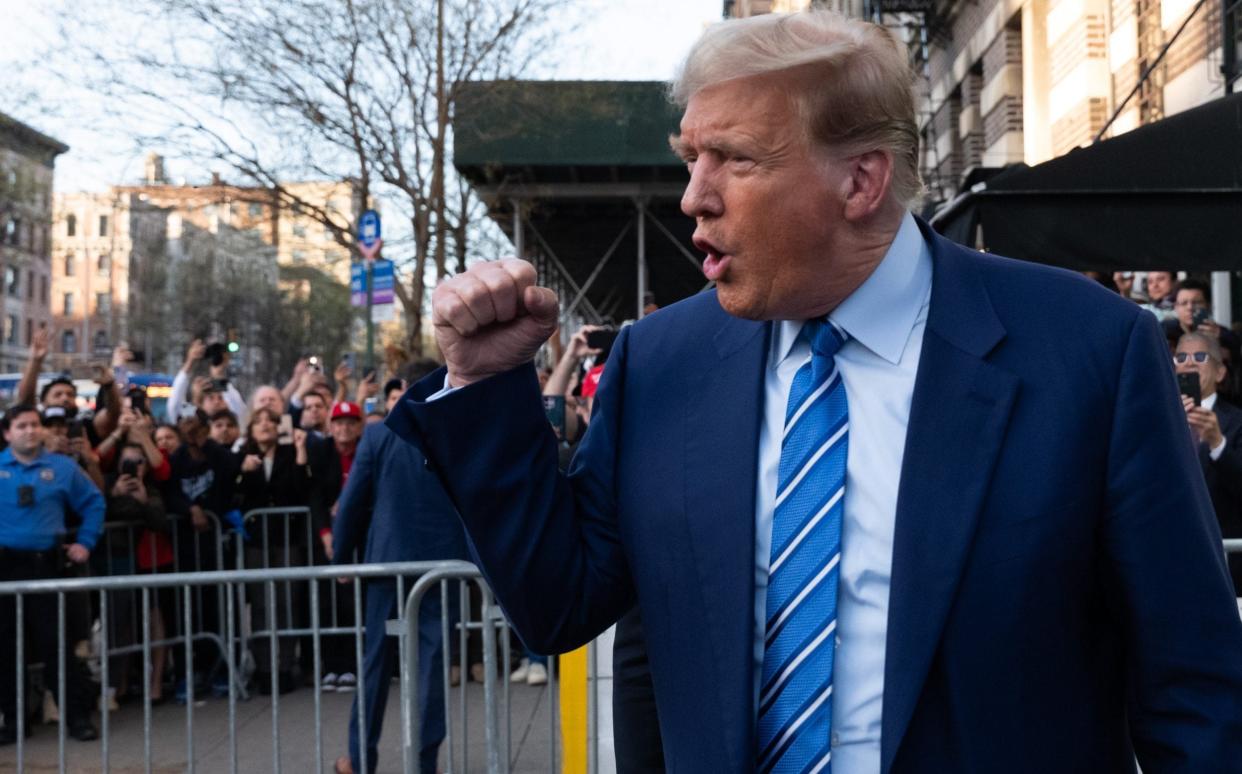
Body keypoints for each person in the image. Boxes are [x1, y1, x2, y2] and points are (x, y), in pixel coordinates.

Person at [386, 10, 1242, 772]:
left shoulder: (1087, 349)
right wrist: (484, 381)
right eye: (692, 158)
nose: (693, 198)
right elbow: (559, 601)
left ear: (861, 182)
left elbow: (1192, 685)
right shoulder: (662, 362)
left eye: (735, 160)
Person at [330, 366, 469, 774]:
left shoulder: (378, 434)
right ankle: (425, 764)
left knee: (374, 664)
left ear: (406, 389)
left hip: (387, 563)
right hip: (444, 566)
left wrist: (341, 557)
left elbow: (353, 501)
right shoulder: (457, 432)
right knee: (432, 667)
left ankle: (360, 759)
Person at [0, 405, 105, 745]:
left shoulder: (62, 468)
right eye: (21, 426)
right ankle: (14, 721)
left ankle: (76, 718)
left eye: (35, 425)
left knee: (56, 646)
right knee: (6, 648)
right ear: (7, 433)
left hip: (47, 564)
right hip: (5, 566)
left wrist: (85, 543)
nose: (30, 431)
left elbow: (94, 503)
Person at [236, 408, 311, 694]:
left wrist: (301, 451)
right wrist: (243, 471)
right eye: (259, 421)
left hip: (286, 538)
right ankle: (264, 668)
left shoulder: (288, 453)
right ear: (252, 428)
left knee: (287, 601)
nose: (265, 425)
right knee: (261, 605)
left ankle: (286, 665)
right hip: (257, 540)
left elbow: (301, 489)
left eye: (270, 421)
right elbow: (236, 493)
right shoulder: (243, 456)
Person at [1175, 332, 1242, 597]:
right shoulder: (1157, 417)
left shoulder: (1237, 422)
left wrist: (1217, 444)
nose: (1189, 363)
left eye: (1200, 356)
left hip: (1225, 555)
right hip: (1173, 550)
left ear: (1220, 372)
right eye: (1181, 357)